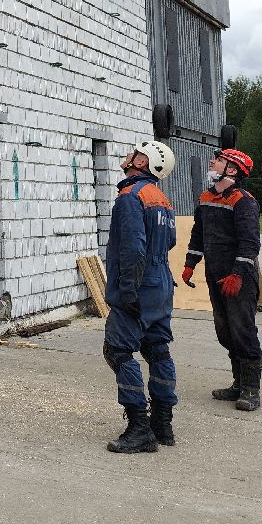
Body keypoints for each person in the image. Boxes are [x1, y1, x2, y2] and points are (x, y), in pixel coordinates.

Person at [103, 139, 178, 453]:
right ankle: (163, 424)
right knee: (157, 349)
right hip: (161, 282)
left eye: (136, 153)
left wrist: (129, 290)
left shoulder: (130, 197)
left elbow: (133, 248)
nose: (128, 155)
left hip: (139, 282)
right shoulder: (160, 198)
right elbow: (170, 241)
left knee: (119, 351)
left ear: (143, 163)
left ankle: (139, 428)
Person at [182, 149, 262, 411]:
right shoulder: (206, 197)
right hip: (215, 275)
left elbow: (250, 243)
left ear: (232, 170)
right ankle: (237, 384)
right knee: (224, 331)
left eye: (218, 159)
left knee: (243, 331)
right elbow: (198, 233)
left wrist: (238, 274)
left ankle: (251, 390)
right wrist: (190, 264)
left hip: (238, 279)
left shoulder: (243, 201)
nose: (211, 162)